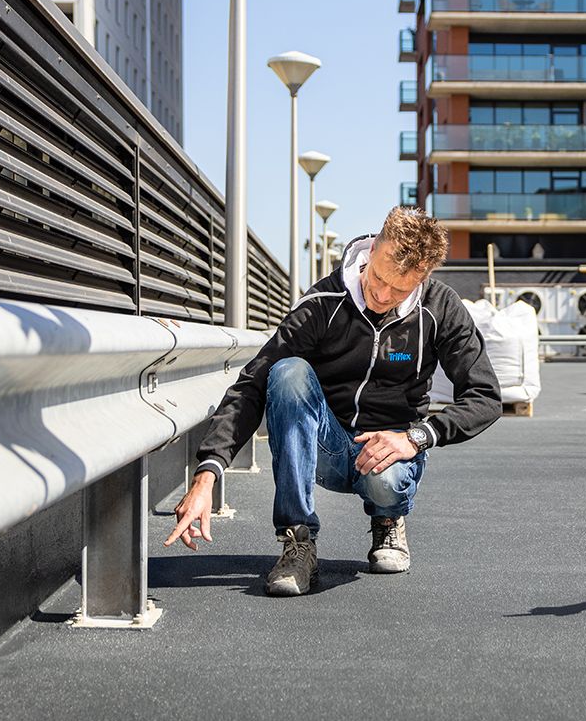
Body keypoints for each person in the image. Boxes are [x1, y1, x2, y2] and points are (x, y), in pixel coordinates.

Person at [165, 207, 502, 596]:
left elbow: (485, 396)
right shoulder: (324, 301)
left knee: (387, 478)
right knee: (288, 371)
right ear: (374, 248)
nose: (381, 295)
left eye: (400, 289)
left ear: (423, 278)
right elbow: (253, 385)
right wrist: (207, 474)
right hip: (328, 444)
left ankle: (388, 519)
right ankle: (298, 539)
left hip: (390, 452)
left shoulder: (440, 308)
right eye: (378, 277)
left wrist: (417, 437)